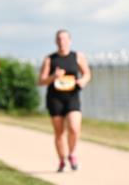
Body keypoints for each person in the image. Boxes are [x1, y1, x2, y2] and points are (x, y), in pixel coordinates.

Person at [38, 29, 91, 172]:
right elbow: (41, 81)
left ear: (70, 40)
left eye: (64, 39)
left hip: (72, 96)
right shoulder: (50, 59)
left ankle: (72, 153)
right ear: (56, 41)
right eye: (59, 39)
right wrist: (53, 77)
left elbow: (87, 73)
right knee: (59, 132)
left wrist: (83, 81)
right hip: (55, 98)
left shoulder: (77, 56)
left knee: (74, 128)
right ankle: (62, 159)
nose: (62, 42)